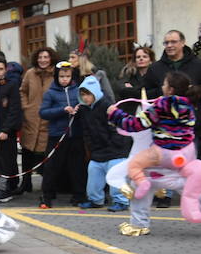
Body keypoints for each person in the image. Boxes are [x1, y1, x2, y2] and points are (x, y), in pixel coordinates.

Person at [110, 71, 199, 215]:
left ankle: (142, 195)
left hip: (163, 152)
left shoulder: (161, 105)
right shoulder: (189, 105)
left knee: (136, 166)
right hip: (187, 152)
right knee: (187, 181)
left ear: (170, 89)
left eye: (164, 84)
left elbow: (136, 124)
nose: (162, 86)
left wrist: (115, 114)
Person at [77, 75, 132, 211]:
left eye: (88, 94)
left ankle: (122, 201)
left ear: (95, 92)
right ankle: (95, 199)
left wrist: (114, 145)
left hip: (116, 150)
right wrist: (91, 146)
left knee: (116, 177)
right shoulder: (84, 110)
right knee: (93, 174)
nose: (85, 98)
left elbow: (115, 129)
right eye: (82, 95)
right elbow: (86, 131)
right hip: (98, 150)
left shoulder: (107, 106)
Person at [37, 63, 87, 209]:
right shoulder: (50, 93)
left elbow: (86, 104)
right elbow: (43, 112)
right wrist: (62, 110)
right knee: (51, 167)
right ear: (57, 77)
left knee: (77, 167)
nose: (64, 79)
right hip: (57, 136)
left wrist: (79, 108)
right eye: (61, 76)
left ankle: (79, 196)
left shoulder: (78, 91)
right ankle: (46, 197)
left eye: (67, 76)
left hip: (76, 135)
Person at [19, 48, 57, 195]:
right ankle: (26, 182)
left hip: (48, 119)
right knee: (27, 152)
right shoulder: (30, 73)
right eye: (40, 57)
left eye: (46, 57)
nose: (43, 60)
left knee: (47, 155)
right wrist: (26, 106)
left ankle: (48, 186)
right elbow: (22, 91)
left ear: (51, 58)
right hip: (31, 119)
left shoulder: (55, 74)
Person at [0, 57, 24, 200]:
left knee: (5, 160)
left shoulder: (11, 85)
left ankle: (3, 190)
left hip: (6, 130)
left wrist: (6, 130)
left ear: (5, 70)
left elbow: (14, 110)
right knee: (2, 159)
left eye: (0, 69)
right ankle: (11, 186)